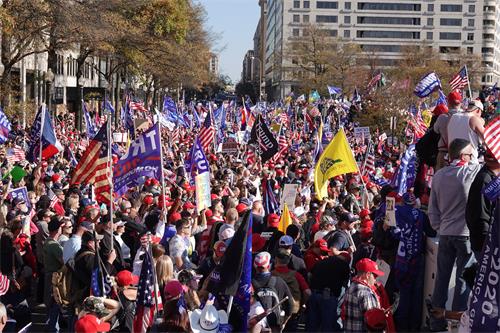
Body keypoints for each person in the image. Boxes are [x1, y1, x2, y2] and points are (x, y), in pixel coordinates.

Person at [428, 138, 482, 331]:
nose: (472, 157)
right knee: (462, 278)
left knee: (442, 278)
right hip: (464, 235)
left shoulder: (439, 175)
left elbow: (432, 209)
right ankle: (457, 321)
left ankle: (436, 321)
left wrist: (439, 227)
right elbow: (483, 165)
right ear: (463, 156)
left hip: (445, 233)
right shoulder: (470, 172)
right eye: (470, 154)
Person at [466, 149, 500, 261]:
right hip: (486, 248)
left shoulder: (493, 177)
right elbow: (480, 218)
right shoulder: (485, 180)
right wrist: (487, 247)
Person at [306, 251, 350, 332]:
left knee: (311, 325)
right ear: (347, 260)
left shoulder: (322, 261)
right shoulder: (344, 265)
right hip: (328, 296)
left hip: (314, 294)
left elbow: (309, 275)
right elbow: (345, 283)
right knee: (327, 326)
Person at [252, 252, 293, 332]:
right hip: (274, 326)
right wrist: (284, 322)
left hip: (255, 326)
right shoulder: (279, 281)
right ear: (269, 265)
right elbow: (290, 305)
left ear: (254, 265)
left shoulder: (249, 284)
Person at [272, 249, 310, 332]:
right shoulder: (296, 275)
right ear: (288, 261)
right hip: (293, 310)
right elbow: (307, 292)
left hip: (275, 310)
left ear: (276, 260)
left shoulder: (271, 275)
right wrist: (302, 304)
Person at [343, 258, 385, 332]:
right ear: (368, 275)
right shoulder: (366, 293)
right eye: (375, 275)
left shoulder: (352, 285)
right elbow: (374, 325)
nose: (375, 279)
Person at [447, 99, 485, 163]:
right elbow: (486, 138)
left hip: (452, 160)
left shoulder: (453, 116)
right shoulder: (473, 119)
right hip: (469, 161)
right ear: (478, 110)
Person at [43, 216, 64, 332]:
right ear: (57, 230)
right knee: (54, 304)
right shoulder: (54, 245)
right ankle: (53, 328)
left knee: (51, 304)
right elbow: (63, 261)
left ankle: (51, 326)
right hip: (54, 277)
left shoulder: (48, 242)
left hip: (49, 275)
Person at [433, 90, 462, 171]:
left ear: (448, 103)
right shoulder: (466, 117)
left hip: (443, 153)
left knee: (439, 180)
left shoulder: (442, 117)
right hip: (460, 156)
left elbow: (436, 130)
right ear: (460, 103)